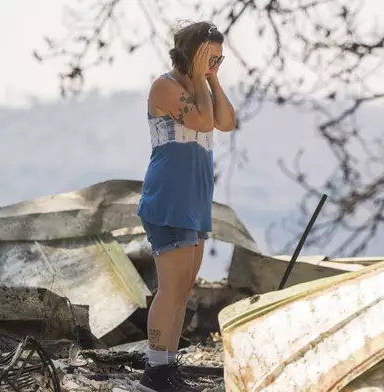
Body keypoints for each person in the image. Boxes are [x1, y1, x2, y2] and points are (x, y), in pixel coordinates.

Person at [136, 21, 237, 392]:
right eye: (208, 56)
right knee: (170, 287)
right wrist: (198, 79)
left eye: (218, 58)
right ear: (191, 52)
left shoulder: (202, 89)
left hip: (195, 201)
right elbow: (203, 120)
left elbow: (226, 122)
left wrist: (211, 80)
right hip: (169, 199)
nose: (213, 63)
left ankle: (167, 365)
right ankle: (154, 372)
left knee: (183, 288)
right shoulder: (166, 87)